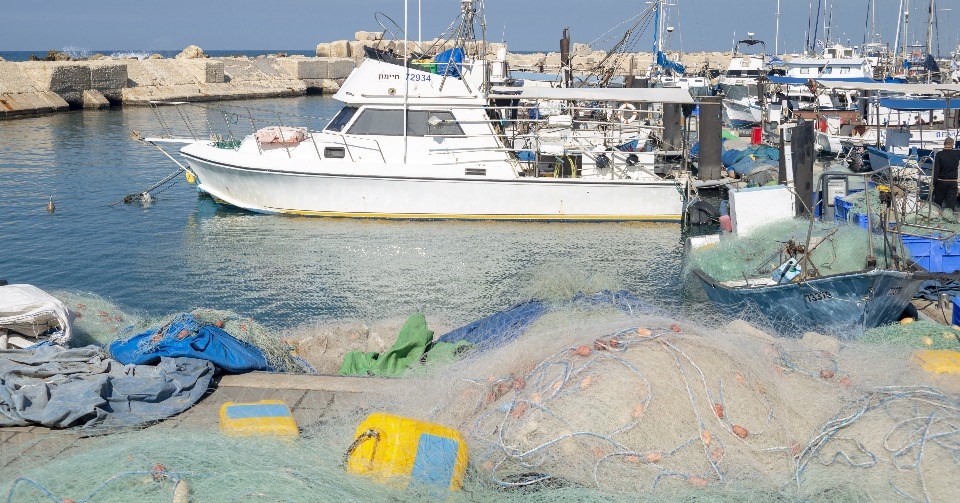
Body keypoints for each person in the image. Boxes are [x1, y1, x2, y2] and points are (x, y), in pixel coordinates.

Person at [932, 137, 960, 210]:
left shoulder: (939, 154)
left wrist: (933, 183)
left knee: (937, 204)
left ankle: (936, 219)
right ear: (952, 144)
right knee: (951, 204)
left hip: (941, 182)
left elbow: (936, 170)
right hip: (953, 182)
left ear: (944, 144)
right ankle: (949, 219)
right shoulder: (957, 154)